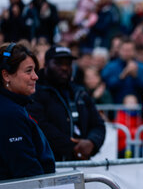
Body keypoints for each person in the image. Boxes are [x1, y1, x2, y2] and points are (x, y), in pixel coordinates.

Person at [27, 45, 105, 161]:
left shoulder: (80, 92)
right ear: (46, 64)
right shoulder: (34, 91)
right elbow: (40, 126)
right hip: (49, 163)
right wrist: (72, 146)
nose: (64, 68)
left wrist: (91, 143)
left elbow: (98, 124)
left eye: (68, 63)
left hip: (81, 162)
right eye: (58, 63)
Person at [0, 43, 55, 180]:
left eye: (35, 70)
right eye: (28, 71)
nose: (35, 77)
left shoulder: (14, 107)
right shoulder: (10, 114)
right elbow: (26, 171)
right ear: (6, 75)